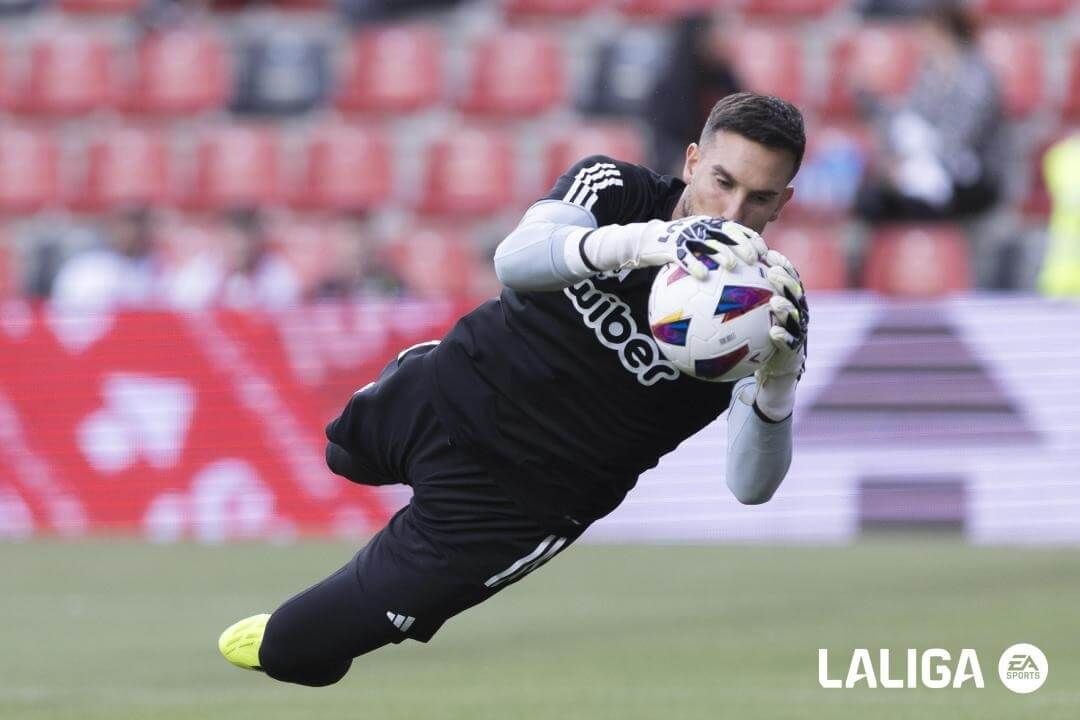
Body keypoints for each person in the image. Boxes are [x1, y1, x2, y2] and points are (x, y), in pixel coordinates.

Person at [217, 92, 810, 687]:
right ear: (690, 162)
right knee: (341, 452)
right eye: (721, 181)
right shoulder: (617, 190)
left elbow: (751, 488)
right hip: (450, 389)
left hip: (515, 504)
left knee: (293, 652)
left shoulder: (765, 314)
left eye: (758, 197)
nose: (732, 213)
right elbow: (516, 259)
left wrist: (780, 380)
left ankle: (323, 631)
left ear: (782, 203)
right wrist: (647, 241)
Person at [853, 1, 1005, 223]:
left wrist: (913, 164)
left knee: (916, 206)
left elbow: (962, 136)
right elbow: (909, 119)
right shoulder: (928, 74)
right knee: (872, 200)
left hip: (969, 172)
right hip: (926, 166)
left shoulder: (977, 77)